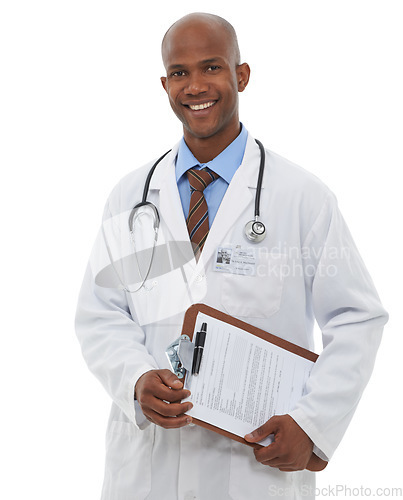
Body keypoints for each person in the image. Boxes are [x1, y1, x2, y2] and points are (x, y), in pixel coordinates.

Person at [75, 12, 388, 500]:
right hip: (147, 472)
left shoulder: (301, 197)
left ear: (241, 75)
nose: (195, 85)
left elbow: (357, 318)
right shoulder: (132, 196)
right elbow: (101, 315)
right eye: (179, 72)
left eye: (212, 67)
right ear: (164, 84)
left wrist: (312, 423)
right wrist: (135, 379)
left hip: (254, 472)